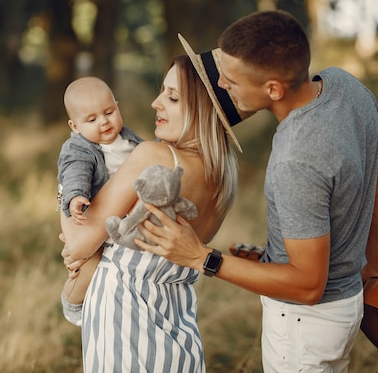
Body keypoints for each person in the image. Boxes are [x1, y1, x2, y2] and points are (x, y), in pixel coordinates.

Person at [138, 11, 378, 373]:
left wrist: (200, 257)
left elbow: (308, 286)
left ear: (273, 88)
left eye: (231, 80)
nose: (220, 85)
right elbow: (377, 192)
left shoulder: (295, 159)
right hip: (346, 304)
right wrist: (372, 270)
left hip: (305, 325)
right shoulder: (348, 88)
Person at [60, 53, 252, 372]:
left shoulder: (153, 156)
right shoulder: (222, 177)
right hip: (177, 318)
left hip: (122, 317)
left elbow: (78, 244)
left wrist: (64, 188)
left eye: (172, 97)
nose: (155, 102)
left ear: (202, 109)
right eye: (163, 91)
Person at [57, 76, 142, 326]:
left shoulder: (129, 139)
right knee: (88, 262)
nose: (104, 122)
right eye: (92, 119)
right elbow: (74, 171)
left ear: (117, 106)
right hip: (92, 215)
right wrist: (75, 195)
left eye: (109, 112)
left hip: (122, 217)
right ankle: (73, 302)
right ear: (74, 126)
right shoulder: (80, 149)